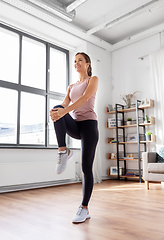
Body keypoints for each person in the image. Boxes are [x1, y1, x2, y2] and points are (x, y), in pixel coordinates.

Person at [50, 52, 99, 223]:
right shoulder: (71, 87)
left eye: (80, 60)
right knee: (57, 108)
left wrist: (64, 111)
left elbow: (86, 98)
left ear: (87, 64)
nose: (76, 63)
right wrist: (57, 112)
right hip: (76, 126)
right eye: (75, 61)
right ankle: (63, 151)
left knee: (86, 167)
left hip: (89, 127)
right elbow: (64, 104)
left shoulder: (92, 80)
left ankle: (84, 208)